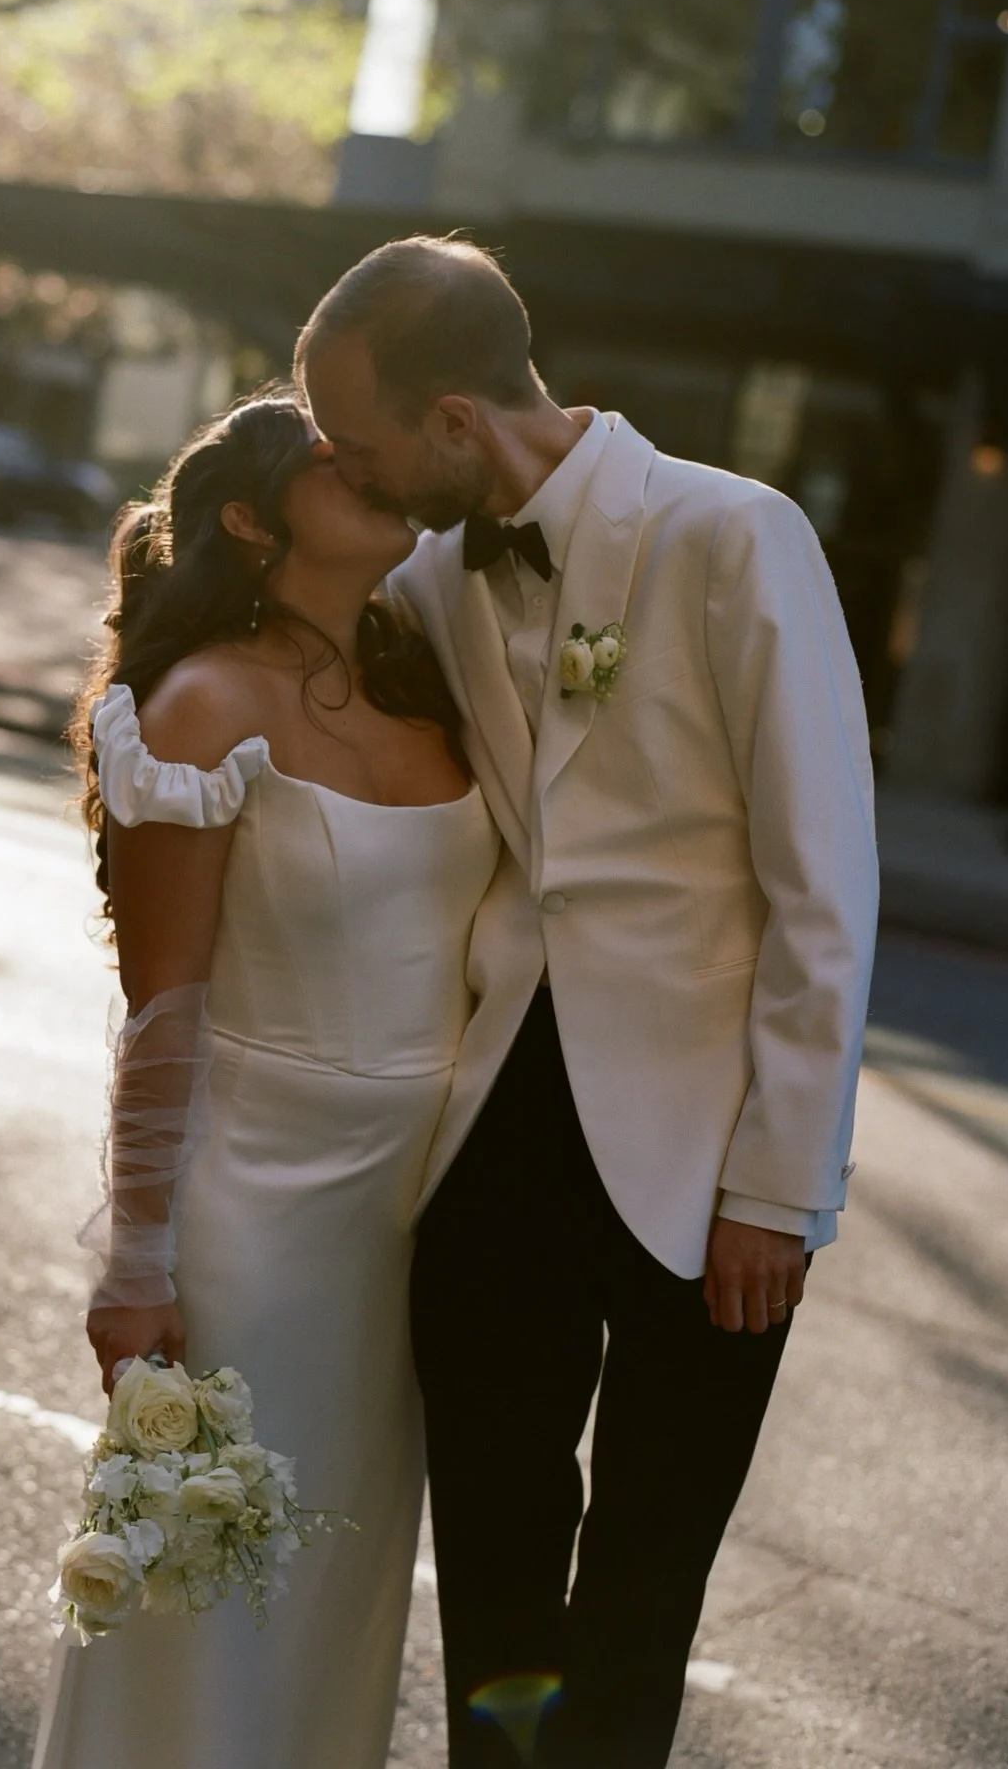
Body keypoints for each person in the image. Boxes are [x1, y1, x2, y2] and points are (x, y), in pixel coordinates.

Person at [298, 237, 880, 1769]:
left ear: (453, 422)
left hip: (709, 1164)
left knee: (640, 1589)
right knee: (490, 1558)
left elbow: (825, 887)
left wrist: (780, 1183)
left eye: (360, 444)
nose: (347, 475)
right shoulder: (426, 574)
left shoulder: (735, 535)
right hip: (499, 1131)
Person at [31, 392, 500, 1769]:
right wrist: (135, 1267)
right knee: (208, 1602)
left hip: (408, 1225)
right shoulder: (199, 704)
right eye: (329, 460)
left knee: (330, 1607)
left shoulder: (434, 682)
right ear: (248, 517)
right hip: (260, 1218)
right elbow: (162, 1014)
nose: (370, 469)